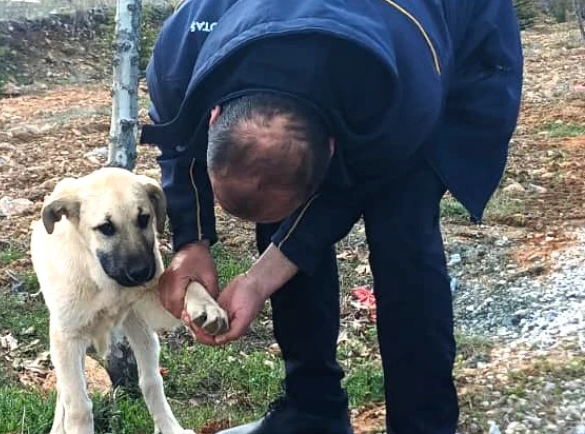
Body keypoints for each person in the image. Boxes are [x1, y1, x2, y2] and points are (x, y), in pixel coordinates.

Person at [139, 0, 524, 433]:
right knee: (278, 205)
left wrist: (260, 279)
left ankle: (424, 422)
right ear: (213, 118)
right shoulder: (181, 52)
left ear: (334, 148)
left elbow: (351, 189)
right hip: (349, 58)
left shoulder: (401, 99)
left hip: (441, 44)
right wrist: (190, 242)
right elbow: (177, 142)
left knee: (404, 239)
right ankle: (313, 409)